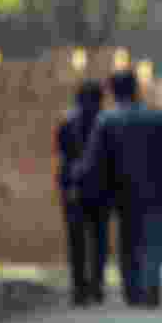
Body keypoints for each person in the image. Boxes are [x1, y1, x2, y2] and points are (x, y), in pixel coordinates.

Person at [74, 70, 162, 307]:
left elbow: (94, 159)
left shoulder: (106, 120)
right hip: (155, 188)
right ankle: (151, 287)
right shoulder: (157, 118)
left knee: (130, 240)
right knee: (152, 239)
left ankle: (134, 290)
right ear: (136, 89)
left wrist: (79, 178)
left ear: (114, 92)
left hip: (122, 191)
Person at [55, 80, 110, 306]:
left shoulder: (68, 123)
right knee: (99, 240)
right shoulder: (105, 122)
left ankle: (79, 288)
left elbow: (61, 152)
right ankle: (96, 286)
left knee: (77, 240)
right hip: (100, 188)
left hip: (74, 188)